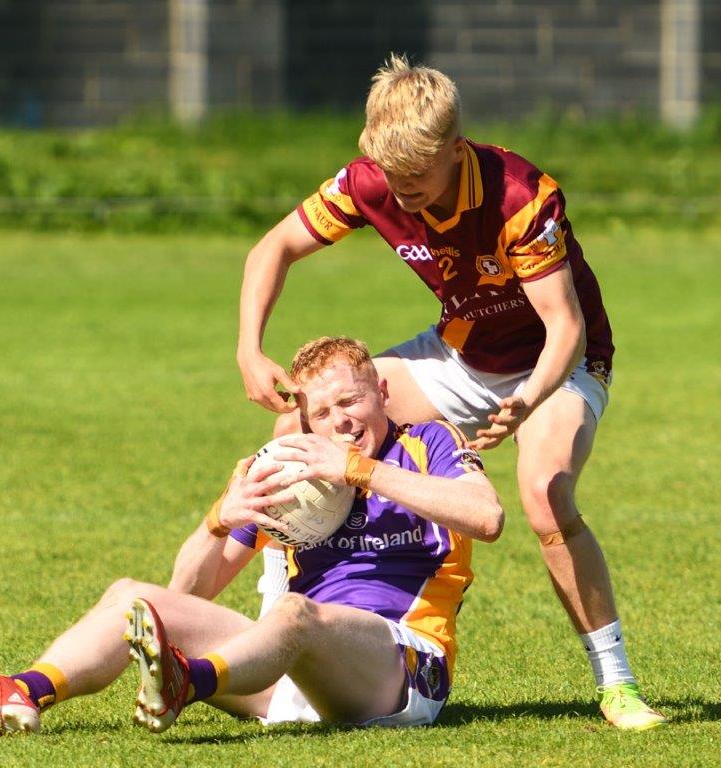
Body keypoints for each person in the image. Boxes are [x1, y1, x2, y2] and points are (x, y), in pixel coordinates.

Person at [235, 55, 666, 730]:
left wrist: (525, 404)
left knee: (545, 492)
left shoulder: (521, 196)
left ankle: (618, 686)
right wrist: (248, 346)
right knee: (293, 433)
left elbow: (566, 327)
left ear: (455, 150)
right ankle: (274, 632)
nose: (402, 191)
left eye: (418, 176)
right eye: (392, 175)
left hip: (559, 363)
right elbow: (274, 248)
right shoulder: (369, 181)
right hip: (461, 354)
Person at [0, 336, 504, 734]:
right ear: (305, 420)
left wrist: (358, 470)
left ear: (382, 393)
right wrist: (223, 516)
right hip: (283, 677)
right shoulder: (290, 467)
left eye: (350, 401)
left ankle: (185, 681)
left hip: (399, 670)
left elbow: (487, 517)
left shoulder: (429, 444)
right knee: (131, 596)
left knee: (294, 613)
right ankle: (21, 693)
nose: (339, 423)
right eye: (321, 415)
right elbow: (185, 594)